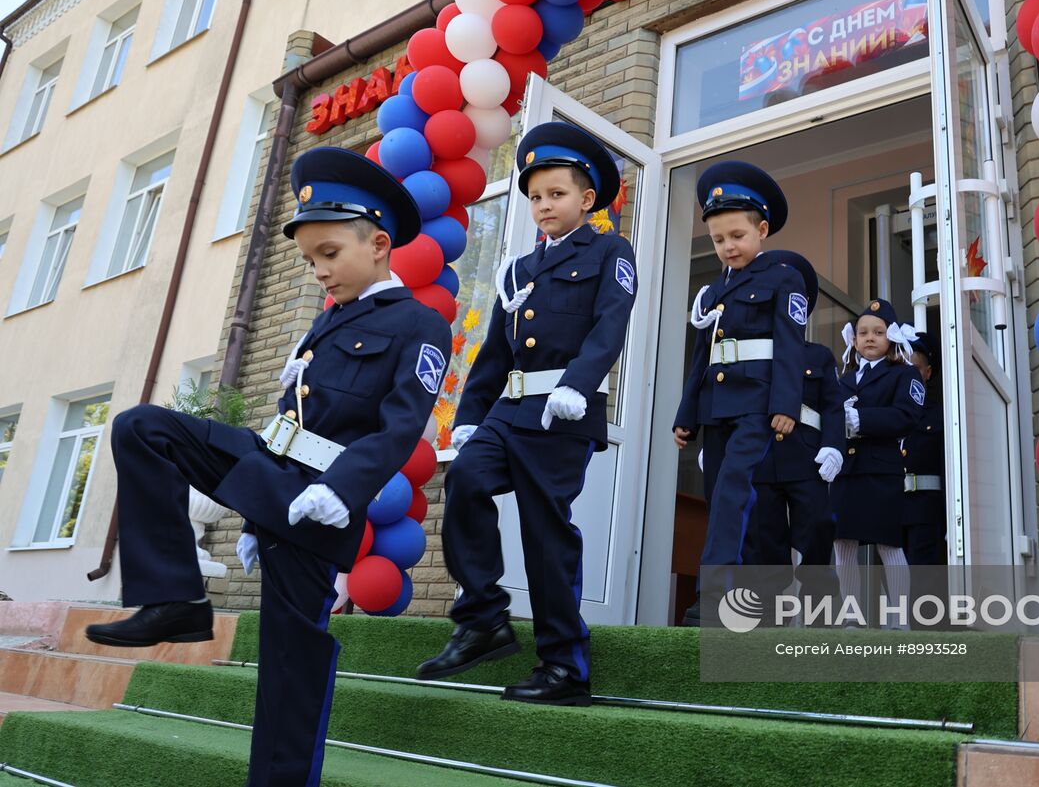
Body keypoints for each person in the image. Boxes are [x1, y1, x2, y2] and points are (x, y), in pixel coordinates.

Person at [86, 147, 451, 786]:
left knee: (290, 662)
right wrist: (254, 515)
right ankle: (174, 598)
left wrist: (343, 490)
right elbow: (291, 419)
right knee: (143, 428)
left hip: (322, 499)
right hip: (274, 476)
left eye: (330, 254)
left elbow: (400, 426)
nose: (318, 272)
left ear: (380, 244)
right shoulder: (326, 324)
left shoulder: (417, 323)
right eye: (310, 261)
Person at [420, 122, 636, 707]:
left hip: (563, 413)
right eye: (535, 196)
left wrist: (581, 384)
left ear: (587, 200)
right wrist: (469, 417)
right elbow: (494, 352)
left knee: (545, 534)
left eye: (557, 194)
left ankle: (565, 665)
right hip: (509, 411)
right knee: (465, 480)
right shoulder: (517, 269)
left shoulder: (610, 251)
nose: (543, 205)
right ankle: (485, 617)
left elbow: (610, 325)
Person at [673, 162, 806, 624]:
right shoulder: (710, 292)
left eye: (737, 235)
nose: (728, 246)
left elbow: (792, 344)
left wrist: (786, 404)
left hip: (757, 403)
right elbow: (701, 356)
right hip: (716, 407)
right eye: (718, 239)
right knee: (721, 498)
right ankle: (745, 600)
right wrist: (686, 414)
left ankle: (713, 595)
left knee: (733, 491)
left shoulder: (783, 277)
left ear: (762, 229)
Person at [744, 250, 843, 616]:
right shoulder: (750, 352)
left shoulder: (817, 356)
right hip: (761, 458)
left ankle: (822, 618)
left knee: (818, 530)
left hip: (806, 457)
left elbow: (833, 406)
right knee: (763, 542)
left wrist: (833, 446)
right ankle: (767, 622)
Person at [830, 298, 923, 627]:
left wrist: (861, 420)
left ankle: (899, 620)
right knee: (843, 542)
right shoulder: (842, 379)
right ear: (853, 339)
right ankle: (851, 618)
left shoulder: (905, 374)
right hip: (846, 471)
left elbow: (906, 416)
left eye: (878, 332)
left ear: (892, 337)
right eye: (862, 332)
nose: (869, 338)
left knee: (888, 542)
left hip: (881, 468)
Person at [902, 331, 948, 566]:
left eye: (915, 369)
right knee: (892, 592)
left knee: (923, 589)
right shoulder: (884, 411)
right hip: (890, 509)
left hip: (926, 510)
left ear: (927, 373)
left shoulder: (942, 413)